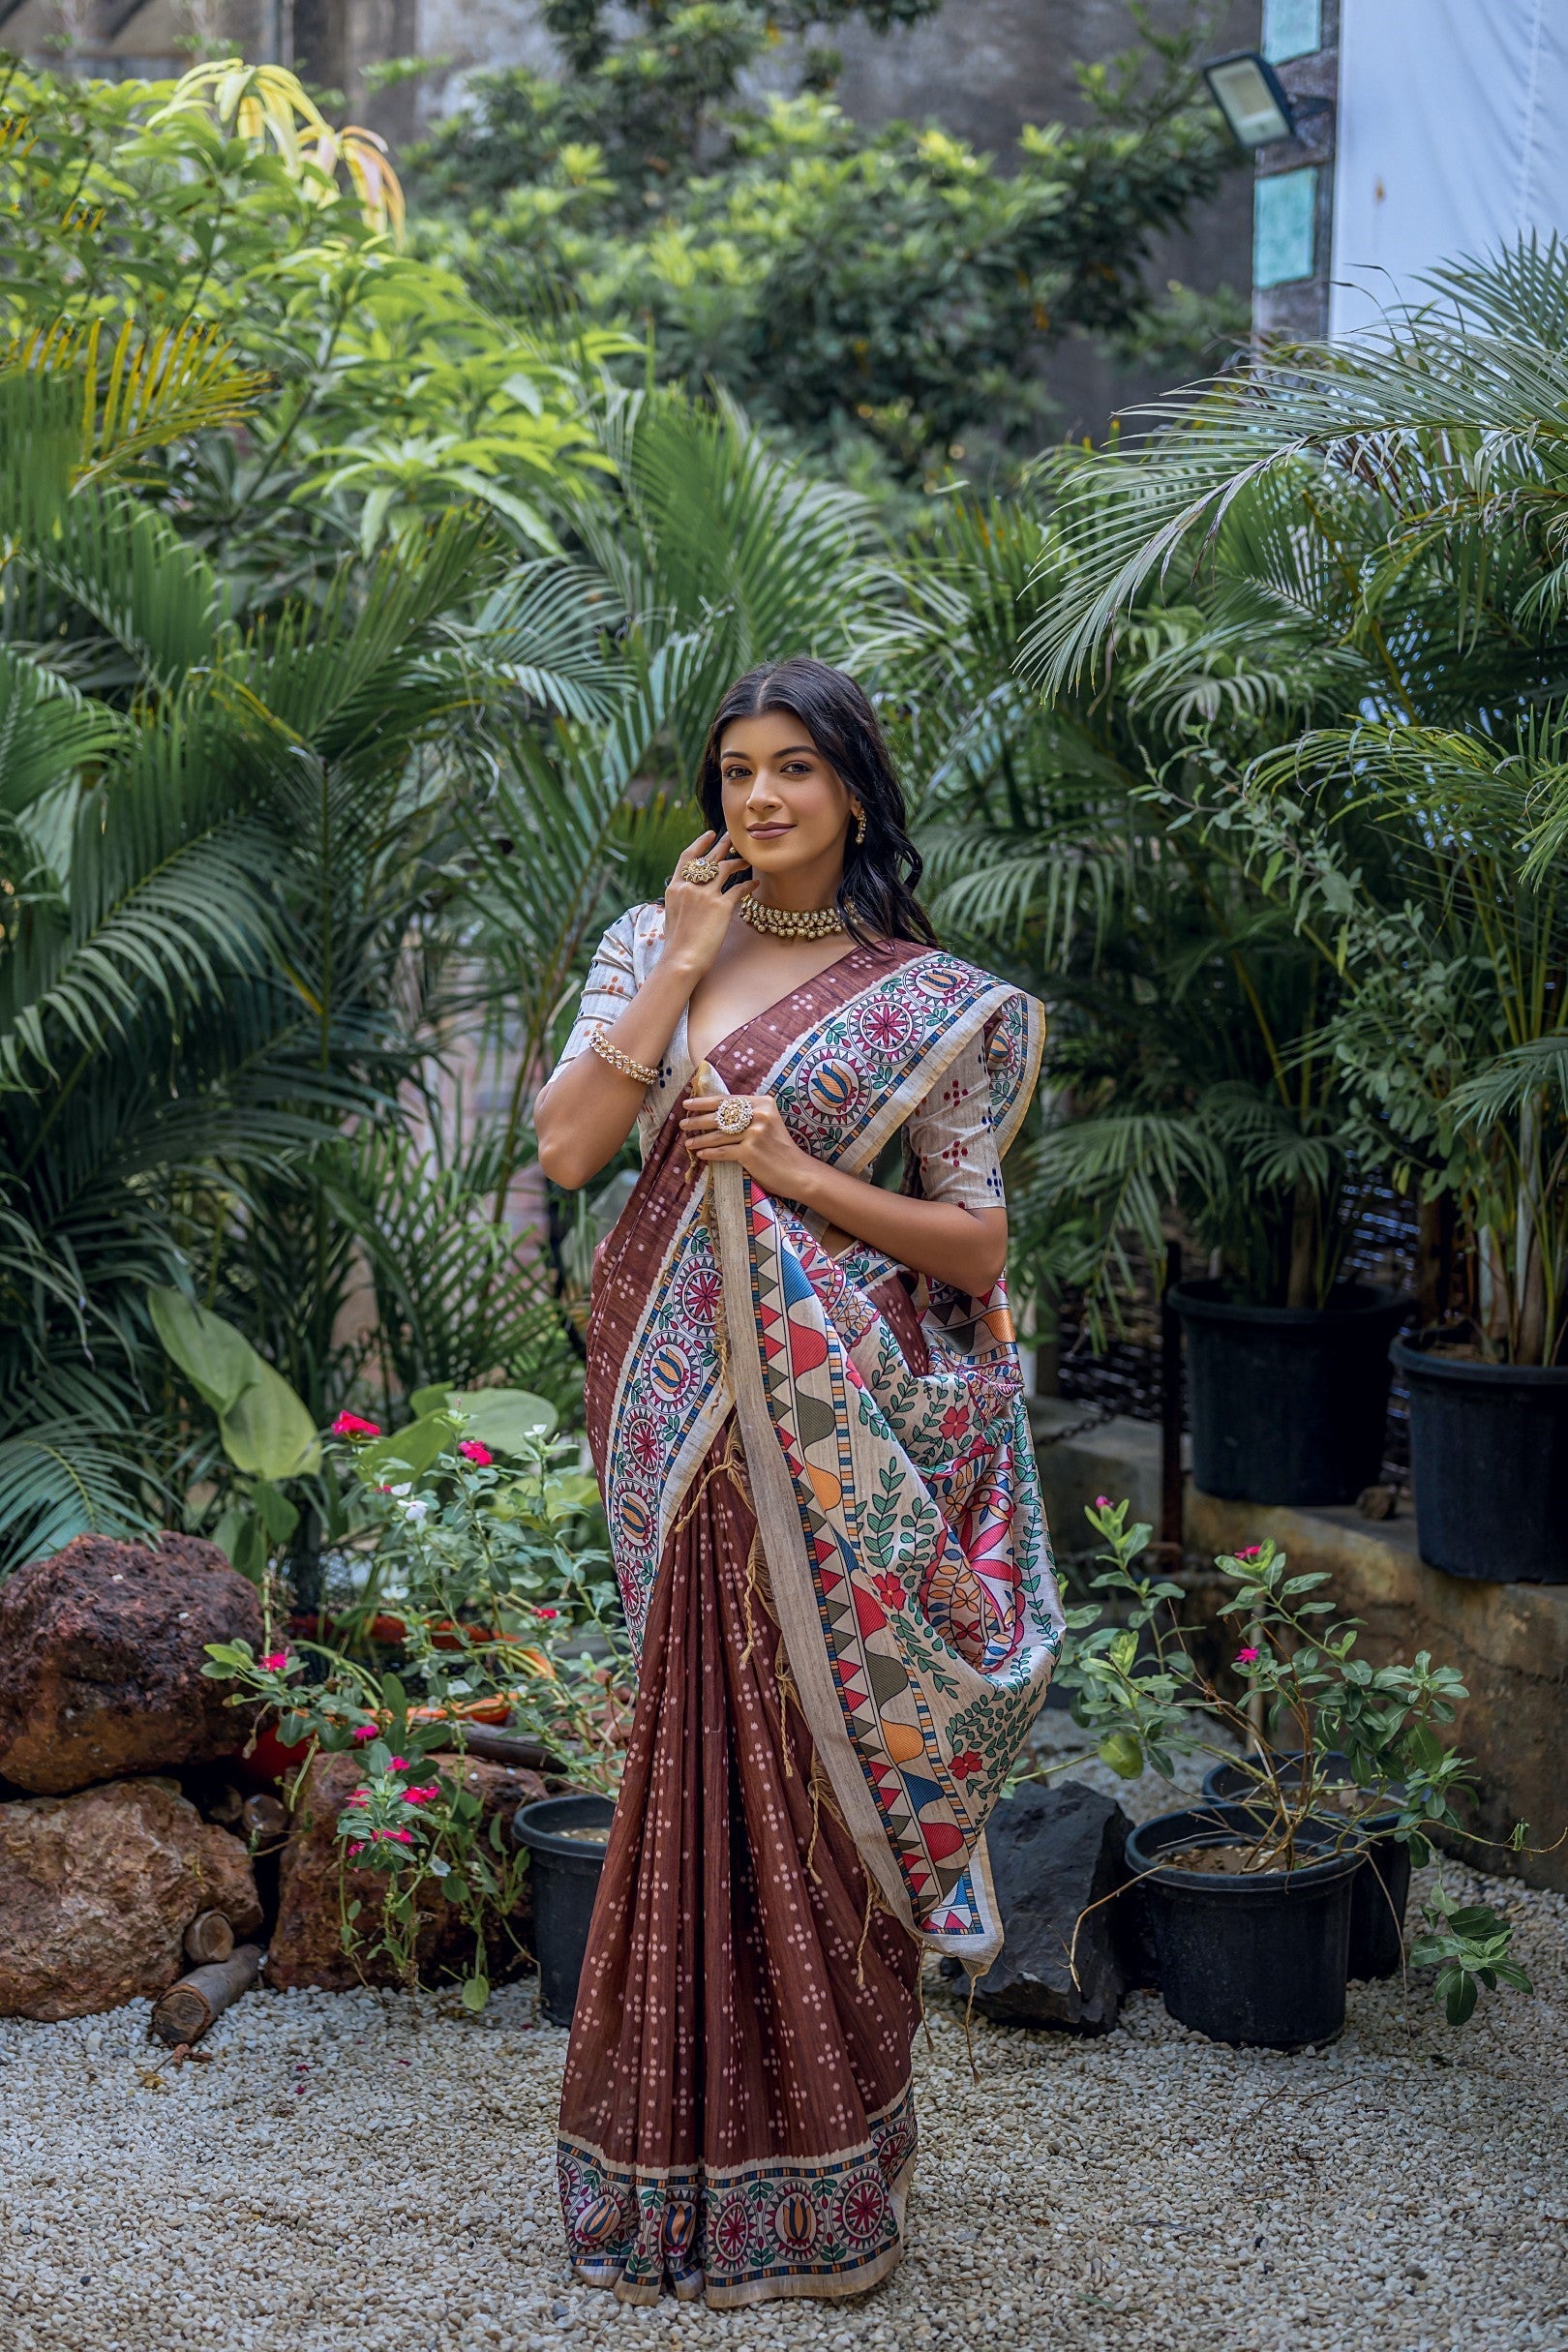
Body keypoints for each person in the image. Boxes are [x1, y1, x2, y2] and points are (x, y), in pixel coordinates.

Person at [534, 657, 1064, 2310]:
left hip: (838, 1444)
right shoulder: (653, 945)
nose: (759, 799)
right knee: (696, 1757)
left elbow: (975, 1244)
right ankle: (669, 2188)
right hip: (673, 1416)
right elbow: (565, 1149)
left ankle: (830, 2187)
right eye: (736, 772)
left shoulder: (927, 999)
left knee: (813, 1766)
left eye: (795, 772)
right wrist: (685, 959)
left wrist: (789, 1166)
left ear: (852, 794)